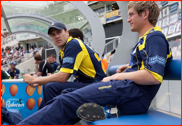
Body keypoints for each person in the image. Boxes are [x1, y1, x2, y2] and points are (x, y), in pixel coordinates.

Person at [18, 1, 172, 124]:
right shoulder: (147, 39)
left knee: (65, 100)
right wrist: (130, 68)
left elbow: (153, 75)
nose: (128, 19)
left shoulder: (155, 37)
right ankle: (107, 110)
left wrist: (115, 77)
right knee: (65, 95)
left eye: (131, 14)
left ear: (144, 14)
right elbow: (150, 66)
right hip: (128, 92)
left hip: (132, 95)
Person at [23, 23, 106, 110]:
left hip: (98, 86)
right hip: (89, 84)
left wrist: (34, 79)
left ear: (67, 33)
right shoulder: (64, 50)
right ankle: (40, 118)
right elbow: (62, 75)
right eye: (53, 35)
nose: (57, 36)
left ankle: (45, 120)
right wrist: (39, 81)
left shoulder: (73, 44)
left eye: (59, 32)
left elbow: (63, 77)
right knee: (50, 86)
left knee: (51, 87)